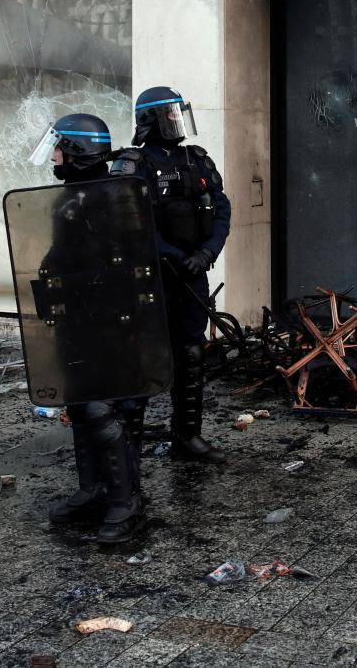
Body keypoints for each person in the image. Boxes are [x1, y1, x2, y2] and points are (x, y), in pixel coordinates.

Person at [34, 113, 149, 543]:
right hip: (78, 318)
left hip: (110, 322)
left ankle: (126, 499)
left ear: (81, 152)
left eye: (62, 147)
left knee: (106, 408)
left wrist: (77, 283)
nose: (56, 155)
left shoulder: (116, 196)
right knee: (80, 402)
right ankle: (94, 488)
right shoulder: (70, 197)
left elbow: (126, 265)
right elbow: (64, 251)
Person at [112, 86, 231, 464]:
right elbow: (127, 221)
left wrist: (207, 253)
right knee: (143, 357)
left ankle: (187, 436)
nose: (178, 123)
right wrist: (173, 255)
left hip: (193, 273)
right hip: (150, 275)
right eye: (171, 116)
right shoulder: (132, 164)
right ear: (152, 120)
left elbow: (222, 209)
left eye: (181, 114)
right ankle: (128, 443)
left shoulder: (196, 159)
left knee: (191, 352)